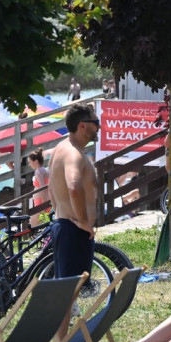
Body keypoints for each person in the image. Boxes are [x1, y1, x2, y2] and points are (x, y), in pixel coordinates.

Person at [48, 103, 99, 282]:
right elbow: (74, 186)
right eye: (96, 122)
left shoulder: (60, 149)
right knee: (69, 294)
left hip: (66, 226)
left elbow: (51, 189)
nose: (98, 127)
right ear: (82, 125)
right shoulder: (73, 154)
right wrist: (84, 222)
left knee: (68, 294)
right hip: (73, 231)